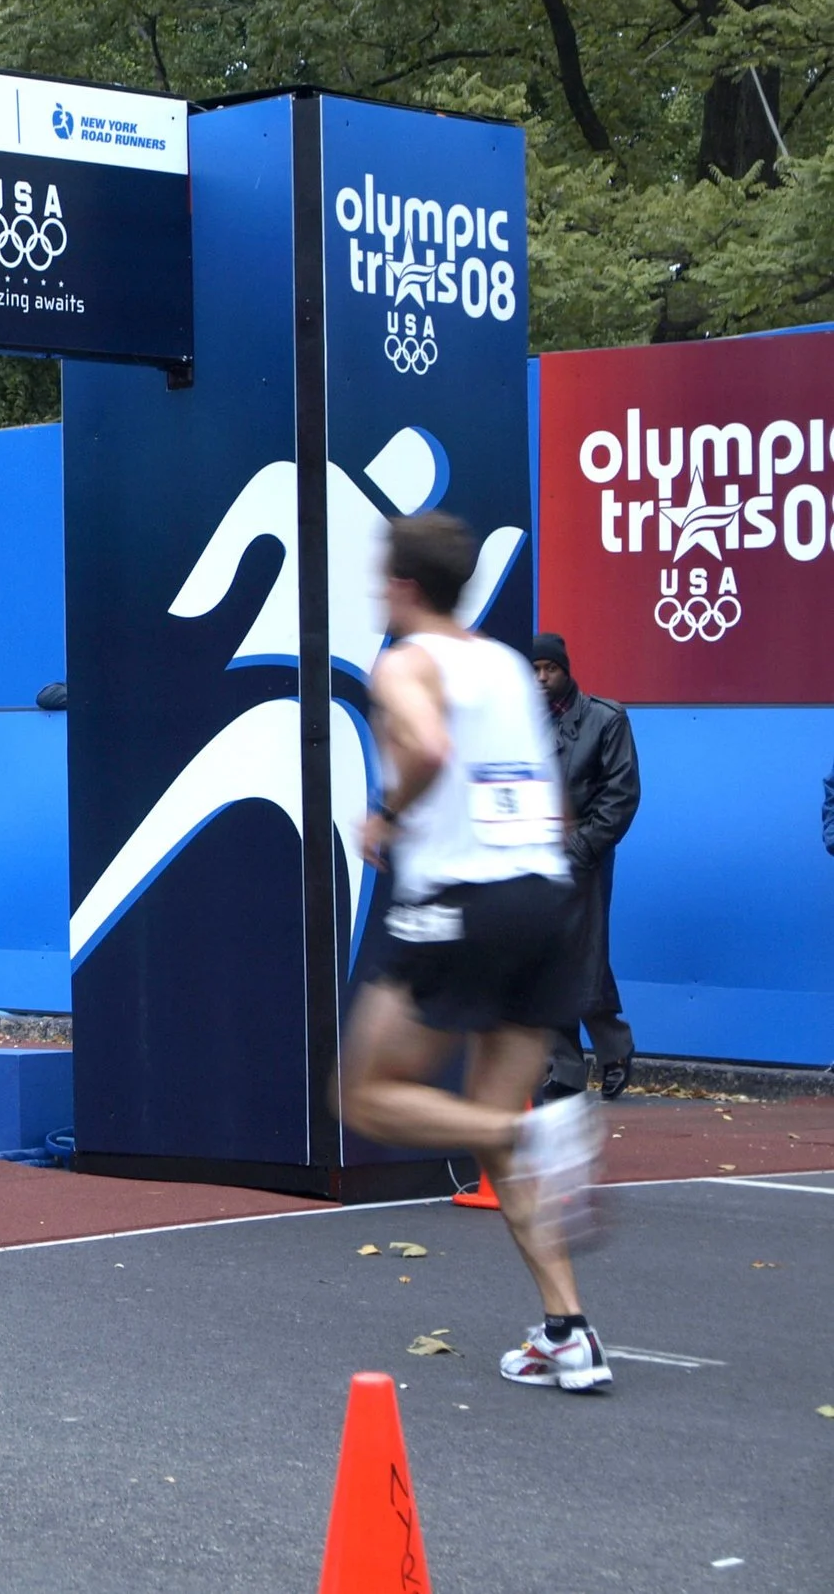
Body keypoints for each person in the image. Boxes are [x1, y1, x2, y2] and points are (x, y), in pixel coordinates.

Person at [341, 513, 612, 1393]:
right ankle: (569, 1330)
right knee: (497, 1132)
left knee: (367, 1093)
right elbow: (551, 801)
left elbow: (424, 745)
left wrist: (390, 813)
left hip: (461, 903)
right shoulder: (503, 664)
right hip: (544, 901)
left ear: (406, 587)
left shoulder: (407, 661)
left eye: (385, 580)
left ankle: (527, 1128)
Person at [531, 633, 640, 1098]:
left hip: (585, 858)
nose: (540, 678)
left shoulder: (605, 719)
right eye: (533, 670)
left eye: (548, 669)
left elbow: (621, 794)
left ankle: (614, 1051)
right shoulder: (520, 723)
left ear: (566, 670)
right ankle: (568, 1069)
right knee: (545, 960)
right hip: (533, 859)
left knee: (585, 956)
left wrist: (579, 848)